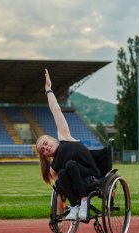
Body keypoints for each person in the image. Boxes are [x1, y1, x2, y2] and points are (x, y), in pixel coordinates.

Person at [36, 69, 100, 221]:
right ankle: (76, 206)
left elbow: (56, 110)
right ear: (45, 155)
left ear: (53, 139)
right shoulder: (53, 169)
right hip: (74, 181)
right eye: (43, 150)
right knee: (63, 173)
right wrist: (57, 219)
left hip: (90, 174)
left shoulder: (64, 136)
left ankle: (84, 202)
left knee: (70, 165)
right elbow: (60, 191)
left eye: (45, 143)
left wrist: (48, 90)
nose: (46, 148)